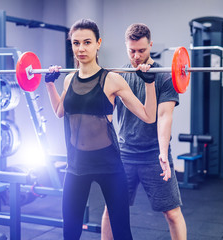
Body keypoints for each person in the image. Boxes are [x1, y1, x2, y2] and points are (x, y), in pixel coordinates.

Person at [44, 19, 157, 240]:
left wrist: (149, 84)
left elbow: (148, 115)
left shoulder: (112, 79)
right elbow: (59, 110)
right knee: (70, 232)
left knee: (122, 232)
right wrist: (49, 84)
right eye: (76, 43)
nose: (81, 48)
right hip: (76, 165)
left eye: (87, 42)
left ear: (98, 44)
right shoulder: (69, 79)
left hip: (109, 166)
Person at [101, 23, 187, 240]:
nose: (137, 56)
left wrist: (162, 151)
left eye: (142, 50)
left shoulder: (164, 76)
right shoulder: (120, 76)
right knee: (111, 210)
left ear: (151, 45)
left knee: (172, 213)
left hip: (154, 156)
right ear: (126, 47)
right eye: (132, 51)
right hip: (125, 155)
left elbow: (165, 117)